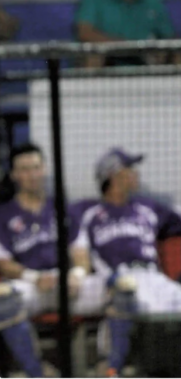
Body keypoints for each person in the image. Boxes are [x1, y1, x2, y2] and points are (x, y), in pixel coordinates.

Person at [0, 143, 105, 377]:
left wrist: (77, 275)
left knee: (118, 288)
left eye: (36, 167)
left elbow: (81, 253)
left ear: (45, 169)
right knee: (0, 300)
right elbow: (2, 263)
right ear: (14, 175)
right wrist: (35, 278)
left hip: (68, 283)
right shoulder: (1, 216)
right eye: (25, 169)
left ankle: (110, 367)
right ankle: (38, 371)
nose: (32, 175)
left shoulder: (63, 208)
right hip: (31, 285)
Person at [72, 147, 181, 377]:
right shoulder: (88, 212)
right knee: (138, 309)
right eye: (130, 169)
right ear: (114, 175)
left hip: (154, 277)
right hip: (118, 279)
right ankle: (118, 365)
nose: (136, 174)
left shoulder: (147, 207)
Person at [75, 0, 177, 67]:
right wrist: (123, 47)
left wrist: (160, 51)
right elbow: (84, 32)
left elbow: (169, 36)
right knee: (94, 55)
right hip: (109, 61)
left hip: (145, 62)